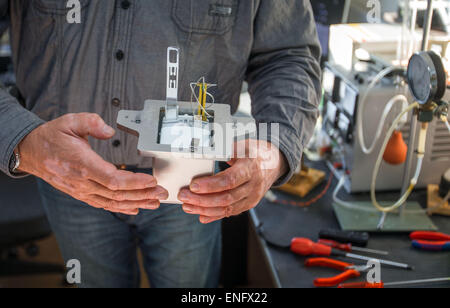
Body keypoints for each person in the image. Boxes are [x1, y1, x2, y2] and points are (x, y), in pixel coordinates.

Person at [0, 0, 321, 288]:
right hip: (68, 182)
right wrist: (25, 142)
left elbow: (288, 55)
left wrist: (275, 146)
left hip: (192, 190)